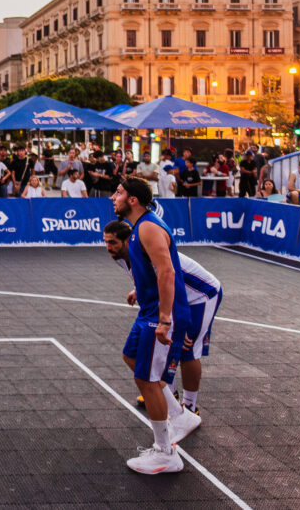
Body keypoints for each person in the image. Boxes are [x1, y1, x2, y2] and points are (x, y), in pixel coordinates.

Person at [110, 177, 192, 475]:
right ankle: (178, 416)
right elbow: (154, 270)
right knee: (130, 356)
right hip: (149, 309)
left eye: (118, 193)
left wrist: (165, 319)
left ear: (133, 200)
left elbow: (168, 271)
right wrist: (140, 291)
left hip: (159, 315)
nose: (112, 197)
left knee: (147, 379)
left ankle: (166, 452)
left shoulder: (147, 226)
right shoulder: (140, 227)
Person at [104, 221, 221, 418]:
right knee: (163, 343)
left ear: (127, 241)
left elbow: (168, 283)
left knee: (188, 351)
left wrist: (178, 325)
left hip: (202, 295)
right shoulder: (121, 255)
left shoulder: (147, 251)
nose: (108, 248)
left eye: (113, 243)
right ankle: (169, 394)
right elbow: (148, 279)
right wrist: (137, 290)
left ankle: (190, 407)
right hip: (176, 293)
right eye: (106, 242)